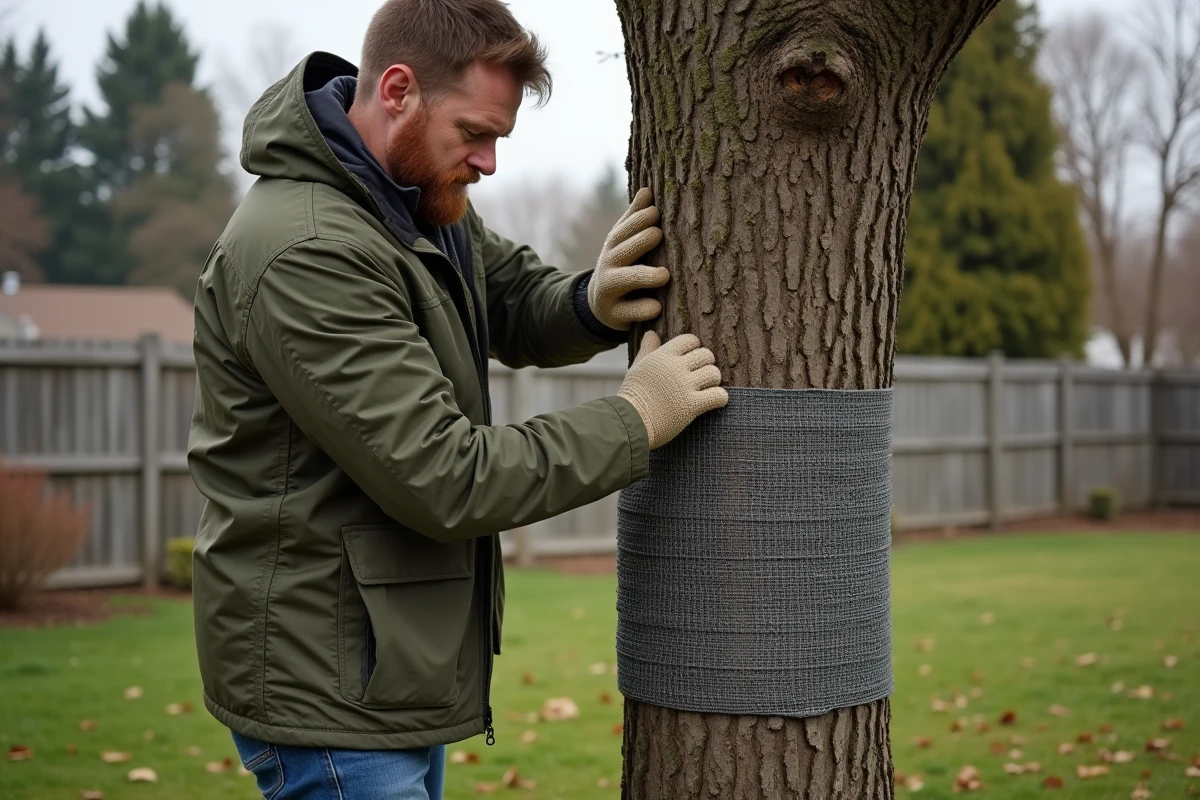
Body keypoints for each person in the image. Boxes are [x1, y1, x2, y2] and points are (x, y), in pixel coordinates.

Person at [186, 0, 727, 797]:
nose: (489, 162)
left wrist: (588, 302)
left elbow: (503, 294)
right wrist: (635, 419)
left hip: (384, 668)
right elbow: (445, 474)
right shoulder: (310, 251)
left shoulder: (405, 198)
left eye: (499, 138)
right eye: (475, 133)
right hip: (329, 688)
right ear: (398, 89)